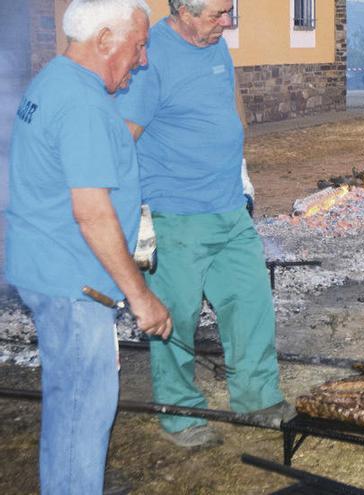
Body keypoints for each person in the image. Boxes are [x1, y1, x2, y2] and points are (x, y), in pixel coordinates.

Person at [6, 0, 172, 492]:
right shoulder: (84, 104)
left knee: (68, 402)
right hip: (73, 282)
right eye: (138, 45)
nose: (142, 59)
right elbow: (92, 213)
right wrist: (141, 297)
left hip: (49, 270)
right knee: (83, 410)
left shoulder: (52, 80)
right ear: (104, 40)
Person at [115, 0, 291, 448]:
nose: (228, 22)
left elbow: (231, 105)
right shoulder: (150, 55)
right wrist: (127, 215)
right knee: (174, 318)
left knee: (251, 303)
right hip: (176, 213)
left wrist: (241, 167)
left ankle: (257, 398)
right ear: (183, 12)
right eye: (218, 14)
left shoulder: (214, 43)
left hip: (229, 206)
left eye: (230, 11)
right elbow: (122, 138)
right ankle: (180, 414)